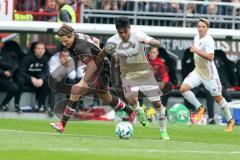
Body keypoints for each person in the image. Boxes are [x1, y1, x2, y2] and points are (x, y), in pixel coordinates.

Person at [50, 24, 138, 133]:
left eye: (66, 41)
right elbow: (95, 40)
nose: (64, 44)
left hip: (101, 70)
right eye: (62, 41)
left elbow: (92, 66)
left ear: (72, 35)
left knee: (76, 91)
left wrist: (82, 82)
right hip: (101, 67)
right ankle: (130, 112)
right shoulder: (79, 35)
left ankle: (62, 124)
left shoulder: (79, 47)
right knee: (105, 96)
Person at [96, 16, 170, 140]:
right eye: (120, 32)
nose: (123, 34)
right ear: (117, 31)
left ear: (129, 28)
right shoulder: (112, 41)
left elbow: (157, 43)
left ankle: (163, 131)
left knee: (157, 104)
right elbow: (102, 54)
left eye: (125, 31)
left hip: (145, 73)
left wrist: (149, 41)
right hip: (128, 75)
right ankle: (139, 111)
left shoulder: (138, 35)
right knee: (131, 100)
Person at [180, 18, 235, 132]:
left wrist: (196, 50)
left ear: (207, 28)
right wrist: (195, 51)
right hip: (198, 71)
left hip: (209, 75)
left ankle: (230, 121)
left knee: (218, 98)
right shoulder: (196, 37)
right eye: (199, 26)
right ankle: (200, 108)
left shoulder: (209, 40)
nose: (200, 28)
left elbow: (210, 57)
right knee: (184, 89)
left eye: (203, 27)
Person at [16, 42, 49, 112]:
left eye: (42, 49)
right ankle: (17, 105)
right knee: (20, 80)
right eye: (38, 48)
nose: (40, 50)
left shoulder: (45, 59)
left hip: (38, 81)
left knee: (46, 82)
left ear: (44, 50)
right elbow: (21, 72)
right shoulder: (27, 58)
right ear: (35, 50)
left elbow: (45, 72)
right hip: (27, 80)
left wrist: (41, 79)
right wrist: (31, 78)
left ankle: (41, 106)